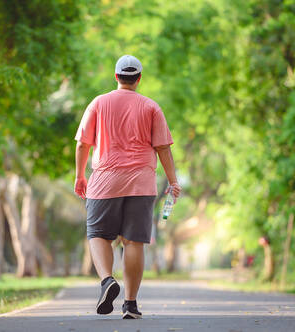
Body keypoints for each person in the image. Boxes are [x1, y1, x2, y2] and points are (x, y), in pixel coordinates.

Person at [74, 54, 181, 319]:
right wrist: (173, 180)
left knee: (98, 233)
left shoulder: (98, 103)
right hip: (141, 183)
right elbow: (163, 148)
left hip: (105, 180)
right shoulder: (151, 107)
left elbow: (82, 144)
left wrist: (79, 175)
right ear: (139, 79)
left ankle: (107, 280)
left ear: (116, 76)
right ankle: (130, 305)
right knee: (134, 242)